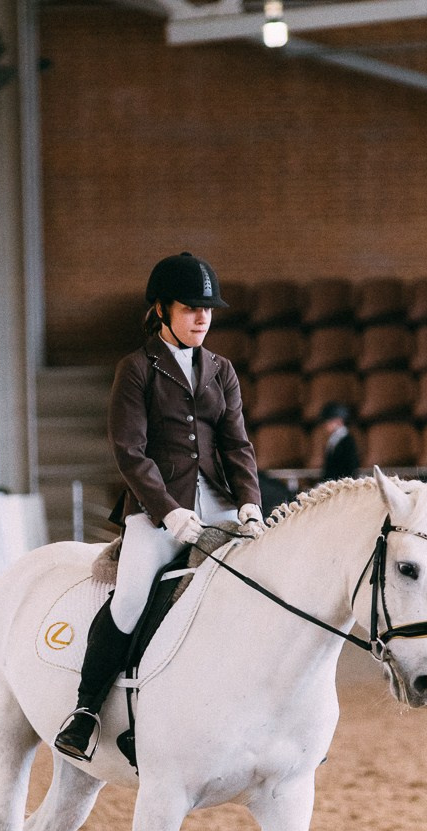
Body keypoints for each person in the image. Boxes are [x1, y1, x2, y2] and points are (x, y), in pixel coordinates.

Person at [55, 252, 265, 762]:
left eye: (207, 309)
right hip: (156, 509)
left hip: (218, 505)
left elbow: (237, 445)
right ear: (162, 310)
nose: (202, 318)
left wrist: (250, 504)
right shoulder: (136, 369)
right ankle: (87, 711)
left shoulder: (221, 370)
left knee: (260, 589)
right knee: (130, 600)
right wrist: (167, 511)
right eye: (191, 308)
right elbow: (129, 451)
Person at [320, 402, 359, 482]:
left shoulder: (347, 440)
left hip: (342, 482)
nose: (325, 425)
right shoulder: (333, 439)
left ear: (339, 421)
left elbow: (350, 467)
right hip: (332, 481)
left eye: (329, 422)